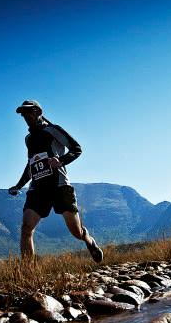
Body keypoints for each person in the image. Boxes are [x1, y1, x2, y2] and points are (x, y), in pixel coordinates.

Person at [7, 100, 104, 263]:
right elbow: (31, 164)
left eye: (29, 112)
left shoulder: (53, 130)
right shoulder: (28, 139)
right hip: (37, 188)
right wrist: (18, 185)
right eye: (23, 114)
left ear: (39, 112)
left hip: (59, 186)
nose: (25, 116)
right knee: (26, 228)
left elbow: (76, 148)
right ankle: (29, 272)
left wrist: (61, 161)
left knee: (76, 232)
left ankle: (89, 240)